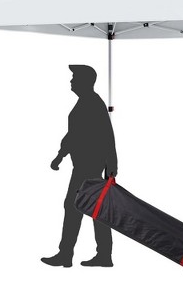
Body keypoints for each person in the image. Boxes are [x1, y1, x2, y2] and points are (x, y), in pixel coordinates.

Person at [41, 65, 117, 268]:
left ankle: (67, 255)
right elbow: (74, 134)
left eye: (74, 78)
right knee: (94, 209)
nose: (71, 81)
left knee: (75, 207)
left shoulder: (92, 103)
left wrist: (112, 168)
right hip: (86, 165)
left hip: (88, 167)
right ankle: (101, 255)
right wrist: (60, 156)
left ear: (85, 81)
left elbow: (107, 136)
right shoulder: (85, 102)